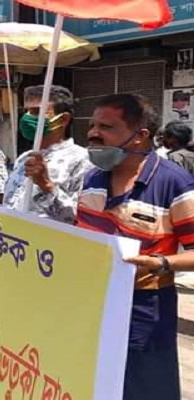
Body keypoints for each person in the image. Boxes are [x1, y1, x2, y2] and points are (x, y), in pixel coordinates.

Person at [77, 94, 194, 400]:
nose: (93, 134)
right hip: (91, 303)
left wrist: (163, 263)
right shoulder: (92, 179)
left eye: (106, 127)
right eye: (92, 125)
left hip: (144, 309)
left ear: (140, 136)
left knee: (144, 388)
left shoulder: (173, 183)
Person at [3, 85, 91, 224]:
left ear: (63, 119)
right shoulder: (24, 158)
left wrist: (46, 185)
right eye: (26, 111)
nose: (27, 118)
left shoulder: (82, 160)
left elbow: (80, 220)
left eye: (37, 112)